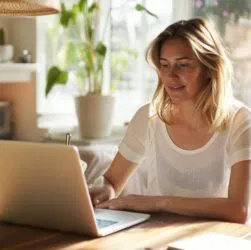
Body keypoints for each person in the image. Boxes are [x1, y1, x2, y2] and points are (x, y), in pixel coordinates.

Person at [89, 18, 251, 223]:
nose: (170, 75)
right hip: (156, 238)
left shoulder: (239, 121)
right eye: (164, 65)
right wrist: (101, 190)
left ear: (210, 68)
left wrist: (158, 202)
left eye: (183, 65)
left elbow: (239, 209)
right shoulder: (149, 117)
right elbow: (111, 181)